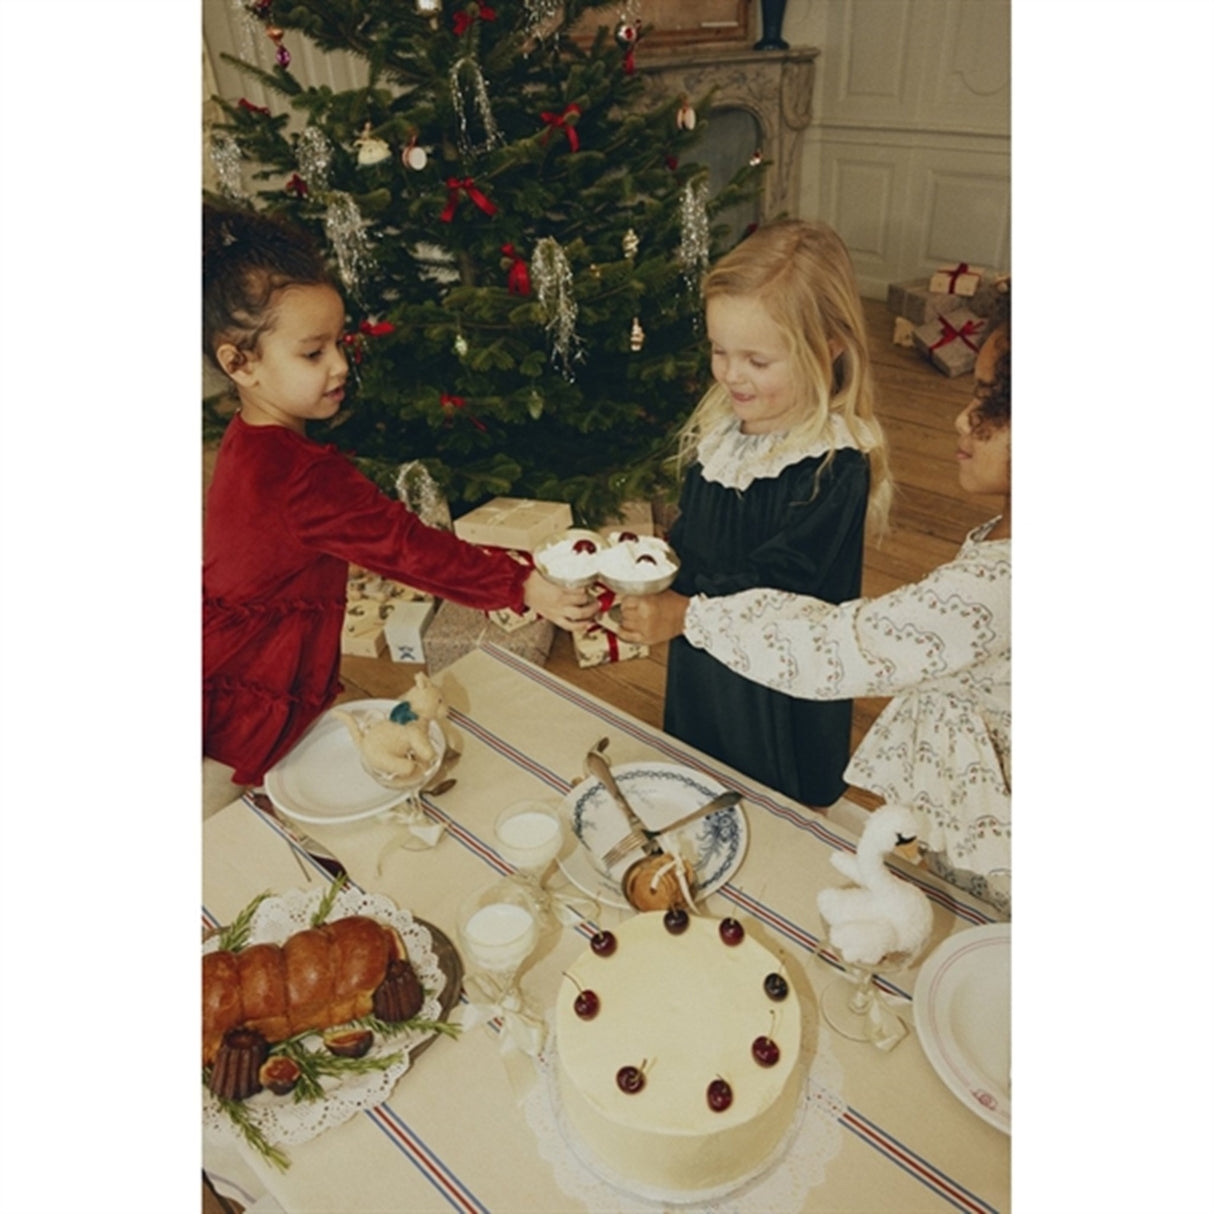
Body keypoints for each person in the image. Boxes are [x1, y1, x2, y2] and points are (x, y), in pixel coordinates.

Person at [620, 290, 1011, 913]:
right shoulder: (1001, 537)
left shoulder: (1000, 587)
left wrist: (688, 613)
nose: (964, 418)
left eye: (993, 401)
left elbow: (843, 646)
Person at [202, 205, 595, 813]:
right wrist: (522, 585)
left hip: (228, 660)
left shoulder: (249, 436)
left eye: (338, 343)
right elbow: (409, 548)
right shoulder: (303, 476)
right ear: (239, 364)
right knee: (223, 826)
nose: (340, 364)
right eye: (313, 353)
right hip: (247, 688)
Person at [639, 220, 893, 809]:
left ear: (828, 347)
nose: (731, 374)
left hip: (779, 675)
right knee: (703, 766)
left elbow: (784, 579)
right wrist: (654, 566)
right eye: (719, 351)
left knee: (770, 795)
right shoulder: (720, 434)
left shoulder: (834, 462)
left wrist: (685, 612)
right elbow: (697, 531)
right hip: (702, 645)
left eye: (757, 359)